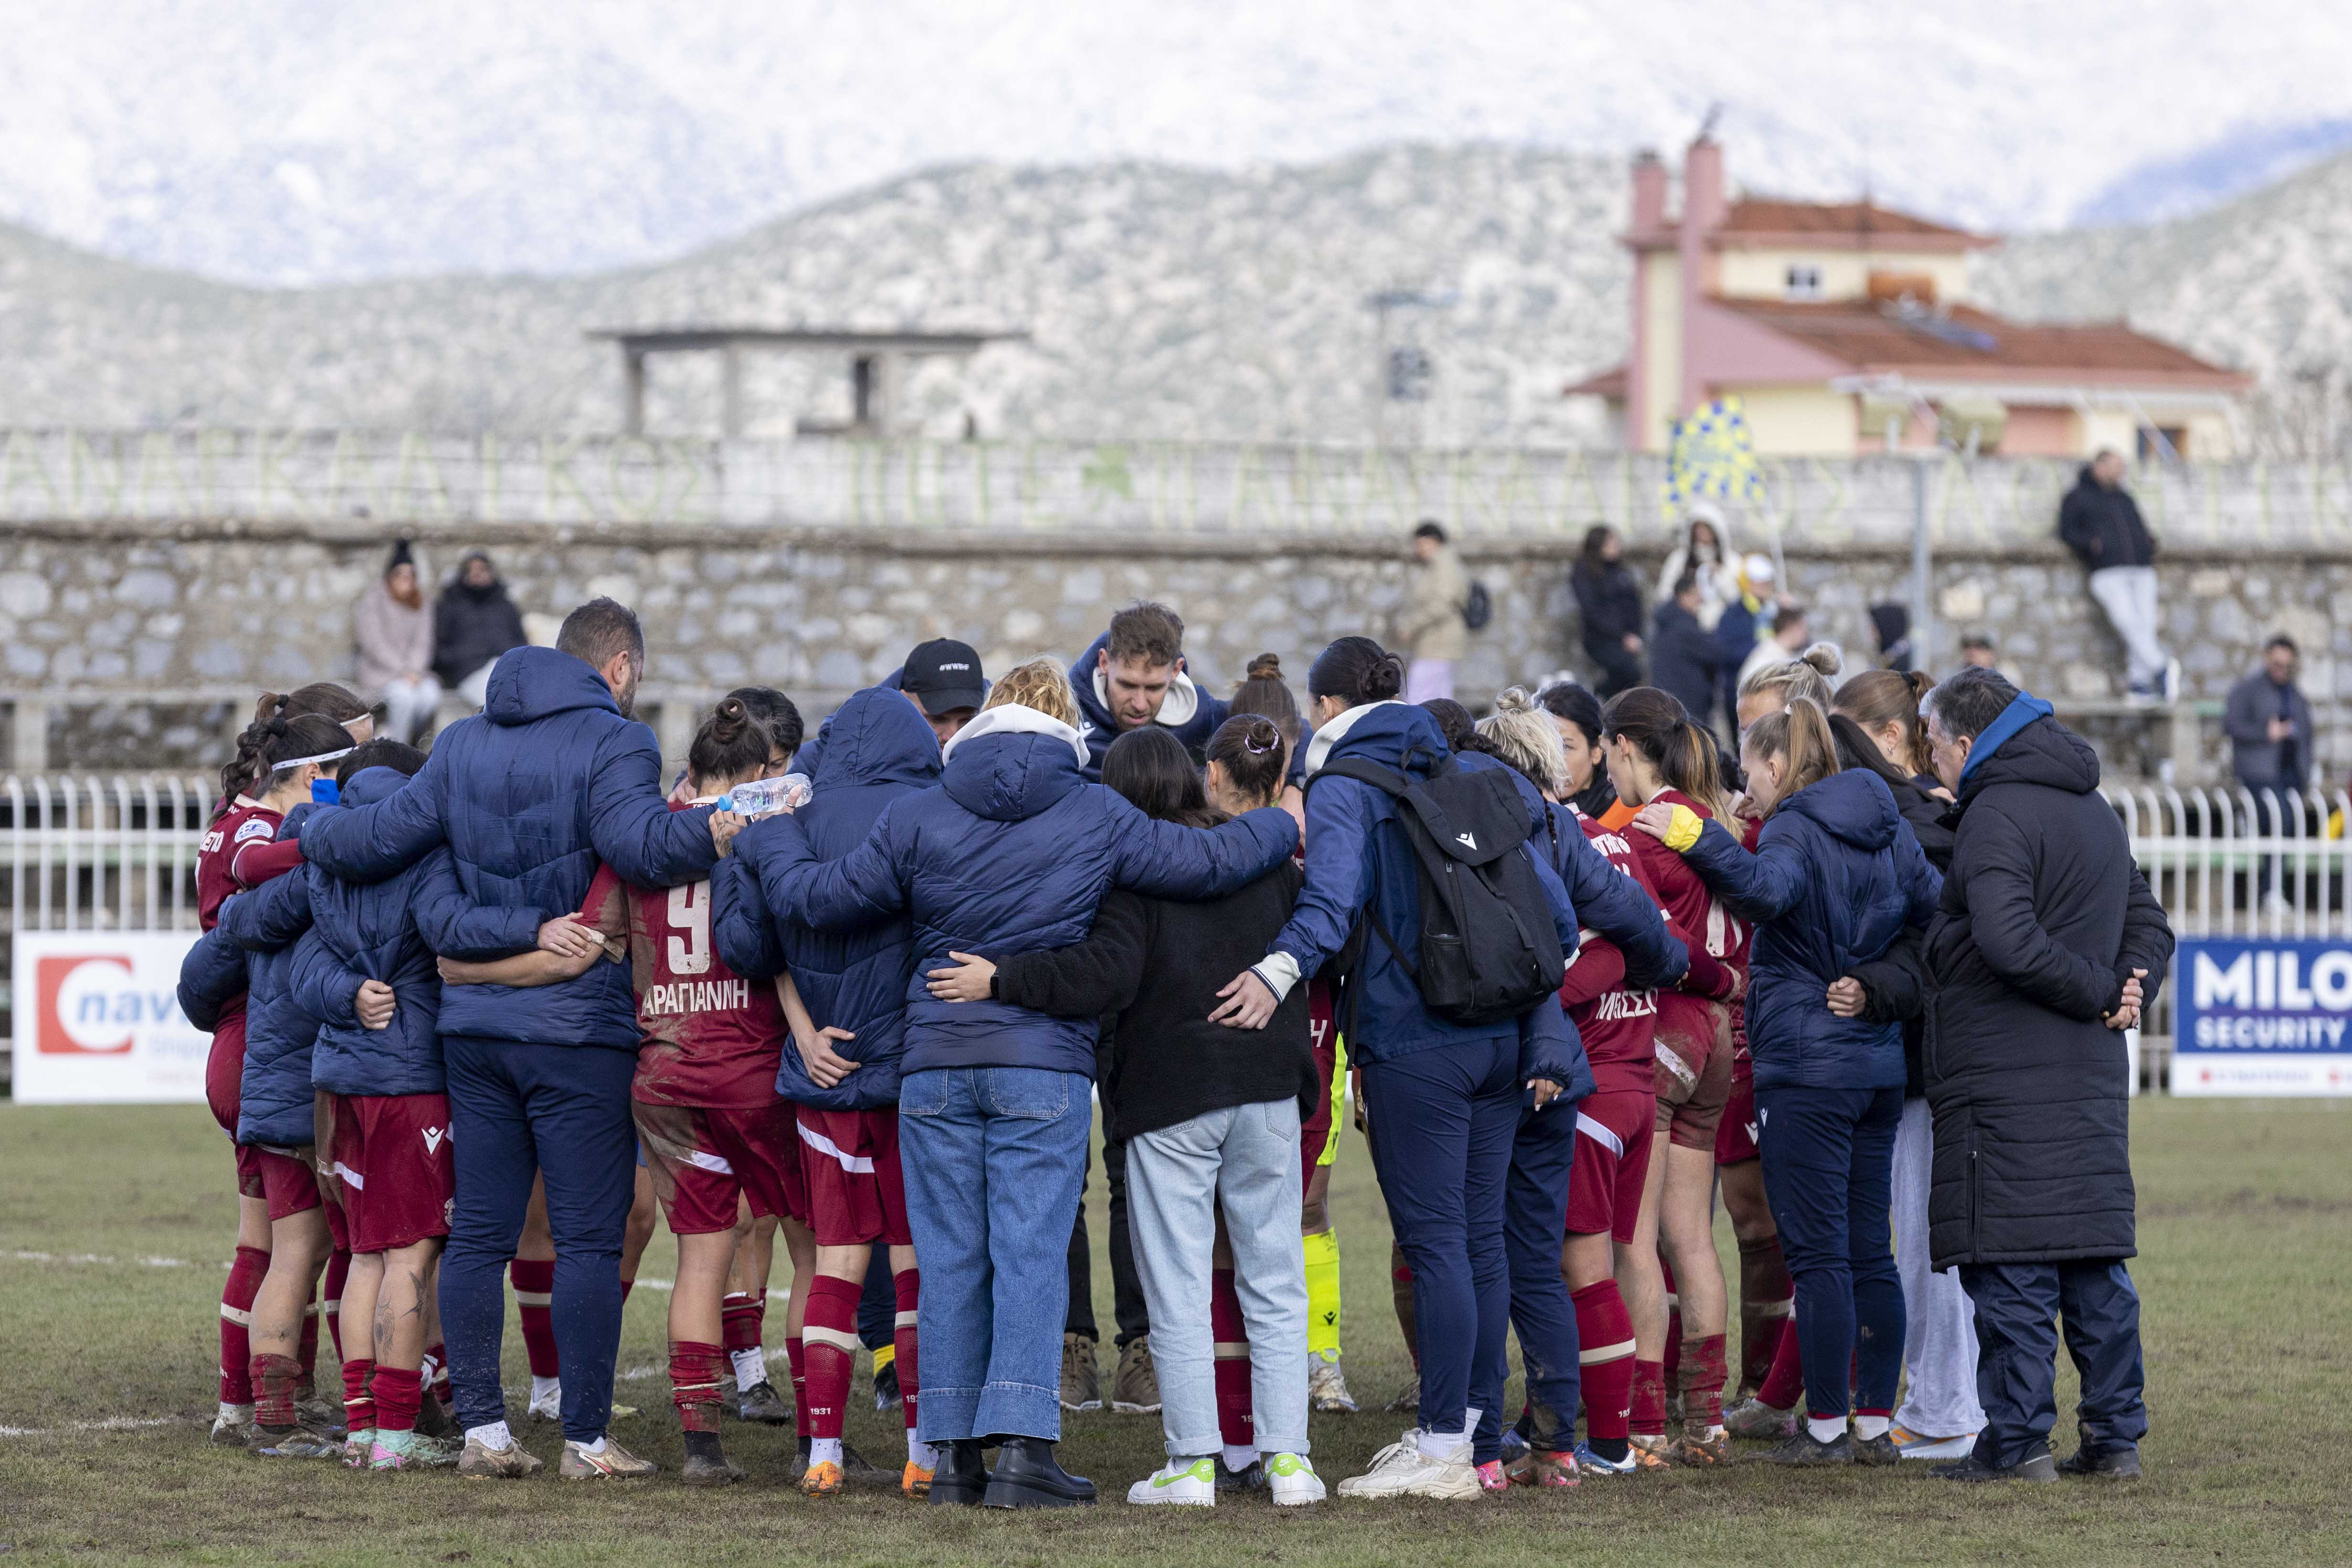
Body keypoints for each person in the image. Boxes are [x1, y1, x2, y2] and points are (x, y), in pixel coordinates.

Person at [741, 659, 1298, 1510]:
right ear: (1064, 723)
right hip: (1041, 1063)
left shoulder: (918, 810)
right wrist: (1283, 820)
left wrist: (774, 828)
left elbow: (816, 899)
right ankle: (1025, 1452)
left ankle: (953, 1456)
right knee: (1030, 1254)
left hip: (934, 1063)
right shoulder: (1094, 808)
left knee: (950, 1260)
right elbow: (1210, 861)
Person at [297, 599, 731, 1480]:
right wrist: (724, 824)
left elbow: (381, 840)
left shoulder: (460, 742)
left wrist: (306, 827)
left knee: (481, 1235)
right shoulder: (618, 740)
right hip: (577, 1031)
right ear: (619, 667)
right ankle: (584, 1440)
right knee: (587, 1242)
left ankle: (485, 1434)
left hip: (474, 1032)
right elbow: (643, 848)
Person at [1209, 638, 1583, 1501]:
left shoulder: (1345, 785)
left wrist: (1274, 974)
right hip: (1501, 1037)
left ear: (1326, 709)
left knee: (1436, 1242)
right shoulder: (1474, 773)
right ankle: (1474, 1439)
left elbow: (1330, 903)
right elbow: (1558, 922)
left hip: (1415, 1043)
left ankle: (1442, 1447)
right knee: (1479, 1241)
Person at [925, 720, 1329, 1507]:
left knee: (1176, 1287)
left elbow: (1100, 975)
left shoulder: (1129, 878)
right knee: (1276, 1278)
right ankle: (1290, 1461)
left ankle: (1192, 1463)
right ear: (1192, 778)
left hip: (1170, 1096)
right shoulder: (1267, 864)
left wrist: (1002, 978)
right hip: (1269, 1087)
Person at [1632, 696, 1941, 1468]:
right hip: (1875, 1064)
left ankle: (1827, 1426)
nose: (1746, 790)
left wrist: (1697, 836)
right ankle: (1873, 1422)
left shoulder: (1797, 826)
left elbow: (1766, 892)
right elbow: (1931, 914)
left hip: (1807, 1068)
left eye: (1750, 774)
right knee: (1870, 1251)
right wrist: (1878, 982)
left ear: (1774, 765)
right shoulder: (1886, 822)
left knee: (1818, 1255)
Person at [1911, 667, 2173, 1483]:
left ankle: (2017, 1443)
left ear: (1965, 742)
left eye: (1932, 745)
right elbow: (2147, 920)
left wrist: (2102, 989)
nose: (1929, 762)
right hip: (2086, 1074)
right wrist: (2129, 987)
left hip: (2001, 1076)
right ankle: (2114, 1440)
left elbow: (2007, 939)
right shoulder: (2091, 808)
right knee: (2092, 1262)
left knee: (2011, 1262)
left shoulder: (1994, 813)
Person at [720, 683, 939, 1498]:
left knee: (835, 1265)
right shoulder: (929, 813)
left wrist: (803, 1028)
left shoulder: (788, 816)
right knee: (913, 1269)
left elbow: (748, 947)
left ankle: (823, 1452)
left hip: (821, 1075)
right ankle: (922, 1452)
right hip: (909, 1078)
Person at [294, 738, 532, 1471]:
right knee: (413, 1253)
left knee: (366, 1254)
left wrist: (344, 992)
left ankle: (363, 1429)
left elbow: (301, 958)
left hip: (340, 1080)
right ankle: (396, 1436)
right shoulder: (424, 849)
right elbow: (452, 935)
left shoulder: (323, 850)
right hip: (411, 1080)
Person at [1473, 690, 1688, 1488]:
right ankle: (1602, 1425)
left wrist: (1525, 997)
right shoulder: (1615, 842)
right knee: (1622, 1258)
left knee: (1578, 1270)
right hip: (1636, 1078)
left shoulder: (1556, 847)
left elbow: (1590, 959)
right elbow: (1656, 945)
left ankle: (1607, 1440)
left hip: (1589, 1088)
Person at [194, 684, 371, 1449]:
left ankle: (277, 1397)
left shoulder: (241, 816)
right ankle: (250, 1405)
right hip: (263, 1044)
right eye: (351, 764)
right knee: (283, 1244)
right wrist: (341, 837)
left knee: (290, 1240)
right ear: (314, 769)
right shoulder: (257, 830)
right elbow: (253, 883)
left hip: (252, 1038)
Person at [1825, 669, 1985, 1462]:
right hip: (1934, 1053)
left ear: (1888, 737)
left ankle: (1942, 1408)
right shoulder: (1938, 814)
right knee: (1927, 1232)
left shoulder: (1909, 822)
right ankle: (1944, 1401)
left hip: (1923, 1056)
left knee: (1926, 1237)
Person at [1595, 688, 1746, 1467]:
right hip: (1718, 1035)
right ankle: (1707, 1419)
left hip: (1669, 1026)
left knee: (1633, 1238)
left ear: (1624, 746)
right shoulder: (1715, 820)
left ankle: (1646, 1423)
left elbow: (1648, 937)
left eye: (1604, 752)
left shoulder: (1646, 831)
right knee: (1691, 1235)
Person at [1225, 657, 1355, 1414]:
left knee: (1300, 1205)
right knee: (1254, 1211)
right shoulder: (1214, 820)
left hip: (1307, 1031)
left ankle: (1316, 1359)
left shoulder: (1323, 819)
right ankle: (1259, 1363)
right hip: (1252, 1034)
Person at [2058, 450, 2173, 701]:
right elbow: (2066, 531)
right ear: (2099, 466)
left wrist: (2147, 543)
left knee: (2146, 624)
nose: (2121, 472)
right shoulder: (2078, 497)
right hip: (2107, 570)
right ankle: (2160, 666)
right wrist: (2092, 545)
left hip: (2141, 568)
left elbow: (2139, 527)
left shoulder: (2125, 497)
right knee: (2126, 620)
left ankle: (2140, 684)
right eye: (2116, 466)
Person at [1069, 602, 1231, 780]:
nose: (1139, 705)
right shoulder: (1062, 717)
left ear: (1176, 671)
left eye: (1154, 688)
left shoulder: (1202, 715)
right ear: (1104, 663)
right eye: (1127, 685)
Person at [794, 640, 989, 783]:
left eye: (966, 721)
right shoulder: (826, 757)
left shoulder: (998, 751)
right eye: (937, 719)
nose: (952, 736)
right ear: (903, 700)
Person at [2223, 635, 2313, 911]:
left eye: (2287, 666)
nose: (2281, 670)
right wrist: (2266, 733)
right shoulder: (2248, 690)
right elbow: (2231, 726)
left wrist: (2308, 772)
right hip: (2258, 774)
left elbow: (2306, 736)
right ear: (2267, 659)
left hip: (2290, 776)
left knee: (2293, 822)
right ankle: (2271, 891)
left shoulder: (2296, 696)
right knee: (2279, 819)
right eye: (2277, 664)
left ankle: (2281, 888)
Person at [355, 542, 439, 744]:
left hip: (415, 674)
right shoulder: (374, 600)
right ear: (390, 576)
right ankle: (398, 747)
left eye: (410, 575)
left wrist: (414, 670)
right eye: (400, 574)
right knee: (404, 698)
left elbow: (423, 642)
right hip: (381, 673)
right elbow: (374, 642)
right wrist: (404, 671)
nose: (405, 579)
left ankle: (405, 738)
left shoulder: (421, 602)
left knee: (431, 697)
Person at [432, 550, 529, 710]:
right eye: (472, 570)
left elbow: (522, 642)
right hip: (470, 672)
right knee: (498, 700)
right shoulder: (450, 605)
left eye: (482, 570)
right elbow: (439, 650)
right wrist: (465, 657)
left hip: (507, 667)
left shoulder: (505, 606)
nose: (477, 574)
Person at [1397, 521, 1469, 704]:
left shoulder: (1445, 566)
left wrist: (1411, 625)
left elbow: (1443, 603)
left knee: (1418, 696)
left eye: (1421, 544)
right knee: (1438, 697)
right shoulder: (1438, 565)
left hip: (1439, 641)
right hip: (1434, 640)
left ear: (1434, 541)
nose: (1418, 549)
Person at [1571, 526, 1645, 699]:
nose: (1615, 547)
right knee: (1628, 672)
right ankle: (1598, 696)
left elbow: (1634, 605)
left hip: (1627, 638)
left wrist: (1634, 634)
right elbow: (1592, 611)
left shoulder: (1621, 571)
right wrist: (1621, 636)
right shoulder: (1585, 572)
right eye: (1609, 543)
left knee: (1630, 680)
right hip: (1602, 638)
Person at [1650, 575, 1728, 734]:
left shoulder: (1668, 623)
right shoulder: (1684, 627)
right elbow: (1718, 652)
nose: (1701, 599)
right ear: (1683, 596)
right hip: (1687, 707)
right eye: (1696, 594)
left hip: (1673, 703)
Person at [1537, 683, 1617, 821]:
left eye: (1565, 747)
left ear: (1597, 749)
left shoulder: (1630, 808)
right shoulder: (1529, 810)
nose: (1551, 762)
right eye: (1542, 748)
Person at [1655, 509, 1734, 630]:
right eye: (1699, 531)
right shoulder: (1679, 560)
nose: (1702, 535)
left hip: (1721, 624)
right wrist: (1685, 600)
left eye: (1707, 530)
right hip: (1683, 623)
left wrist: (1721, 577)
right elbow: (1665, 593)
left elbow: (1736, 599)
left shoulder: (1730, 560)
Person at [1737, 604, 1812, 696]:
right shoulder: (1768, 659)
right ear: (1791, 627)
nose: (1805, 635)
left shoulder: (1781, 654)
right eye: (1803, 629)